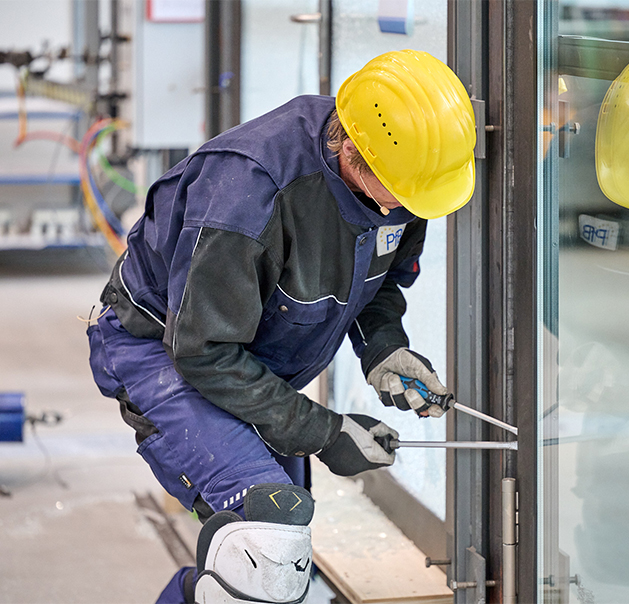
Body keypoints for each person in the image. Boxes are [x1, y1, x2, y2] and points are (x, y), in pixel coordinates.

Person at [86, 49, 476, 603]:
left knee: (282, 561)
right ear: (352, 154)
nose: (406, 212)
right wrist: (326, 431)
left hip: (247, 358)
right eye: (402, 197)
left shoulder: (404, 181)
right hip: (162, 349)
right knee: (266, 545)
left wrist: (384, 350)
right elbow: (203, 351)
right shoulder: (249, 192)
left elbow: (378, 283)